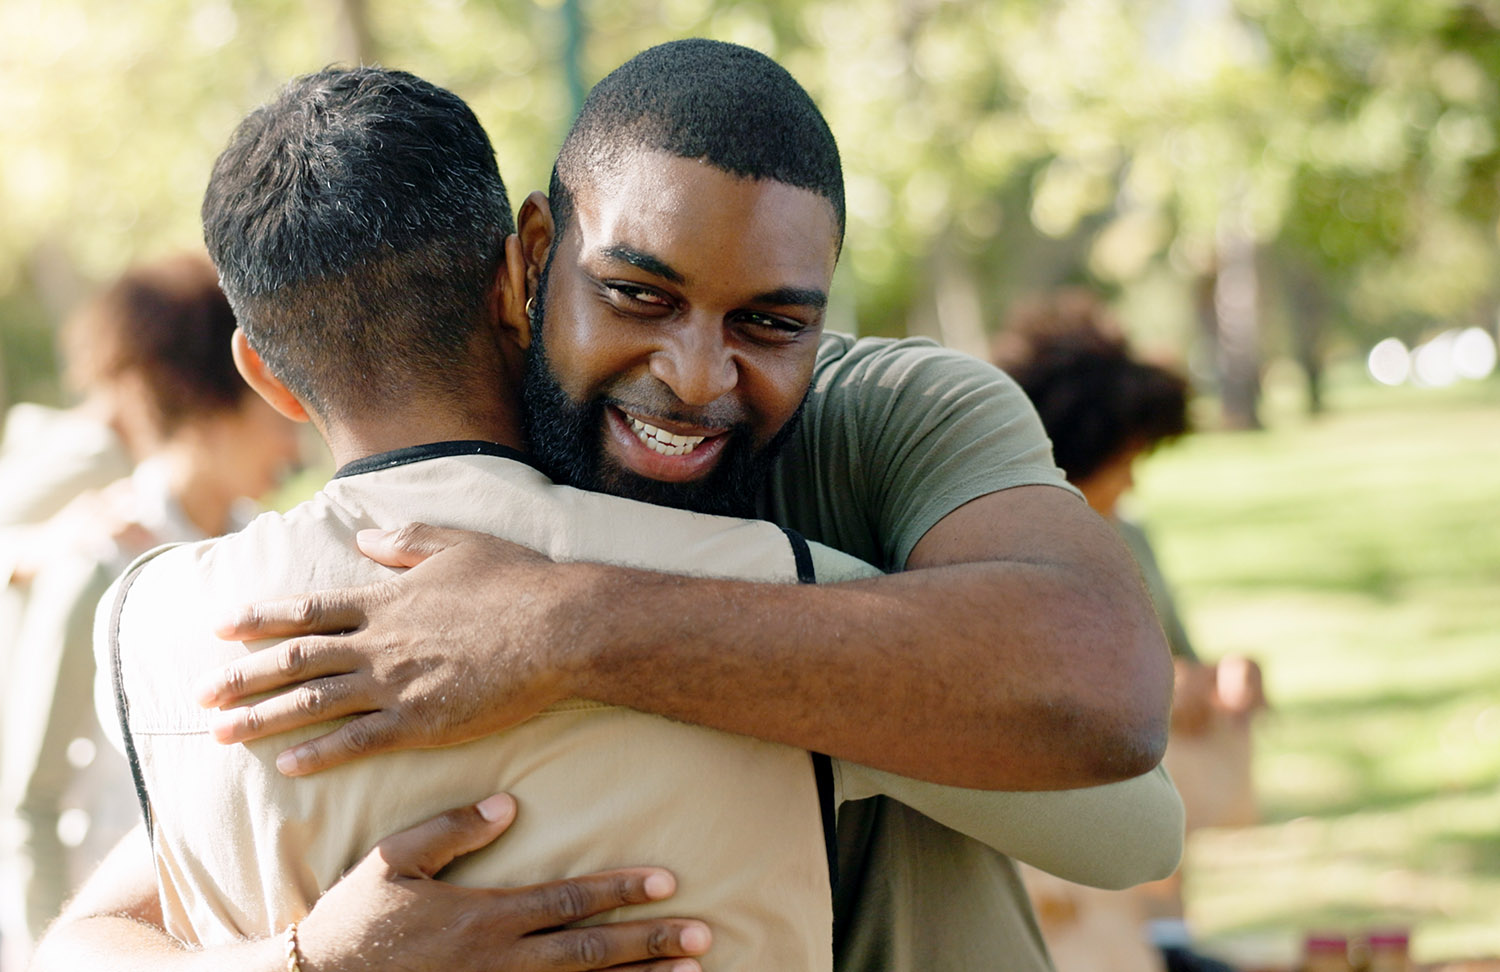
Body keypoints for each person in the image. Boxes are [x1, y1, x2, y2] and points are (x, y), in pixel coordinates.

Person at [40, 42, 1178, 972]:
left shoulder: (896, 413)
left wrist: (565, 625)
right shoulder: (429, 537)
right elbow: (88, 938)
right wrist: (312, 962)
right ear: (528, 265)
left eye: (771, 323)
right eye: (638, 295)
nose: (695, 375)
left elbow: (1126, 788)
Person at [0, 254, 301, 964]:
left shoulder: (263, 551)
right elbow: (29, 803)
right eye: (276, 404)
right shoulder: (98, 561)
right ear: (210, 402)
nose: (295, 440)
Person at [994, 289, 1267, 972]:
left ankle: (1170, 943)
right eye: (1126, 458)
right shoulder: (1004, 545)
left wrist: (1222, 679)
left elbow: (1180, 657)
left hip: (1145, 870)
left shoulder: (1132, 540)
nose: (1134, 478)